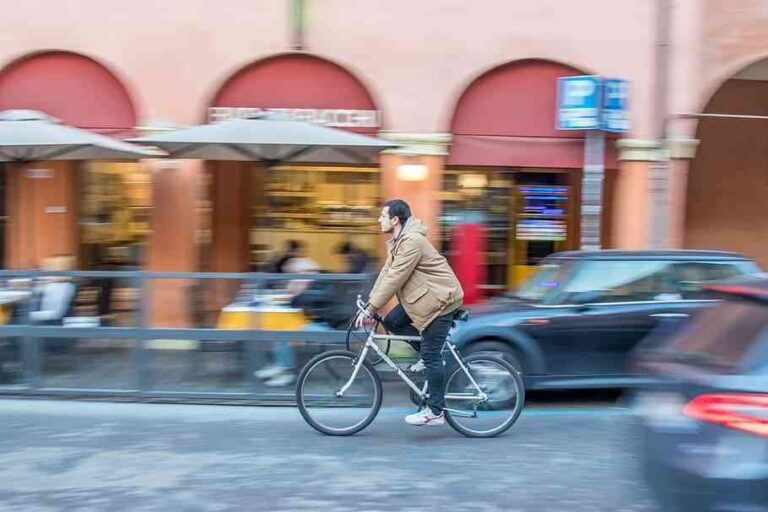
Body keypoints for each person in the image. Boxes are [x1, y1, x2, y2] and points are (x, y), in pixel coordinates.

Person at [356, 199, 464, 426]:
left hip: (441, 300)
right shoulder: (397, 242)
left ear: (395, 220)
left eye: (382, 216)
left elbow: (396, 278)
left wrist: (372, 308)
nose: (379, 220)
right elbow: (386, 274)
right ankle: (426, 357)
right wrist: (369, 306)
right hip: (423, 297)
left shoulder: (411, 242)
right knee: (393, 321)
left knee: (432, 355)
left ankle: (435, 412)